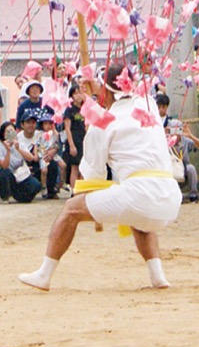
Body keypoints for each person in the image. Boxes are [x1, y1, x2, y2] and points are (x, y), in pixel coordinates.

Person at [18, 62, 182, 291]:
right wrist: (94, 98)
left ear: (104, 89)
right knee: (139, 215)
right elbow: (121, 99)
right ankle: (158, 277)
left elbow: (92, 174)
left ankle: (44, 274)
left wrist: (93, 112)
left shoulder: (103, 122)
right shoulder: (149, 105)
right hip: (170, 196)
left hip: (139, 193)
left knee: (71, 210)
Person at [0, 121, 41, 202]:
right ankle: (5, 196)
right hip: (7, 175)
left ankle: (21, 196)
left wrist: (18, 149)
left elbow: (31, 158)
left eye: (12, 131)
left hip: (20, 174)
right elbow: (4, 166)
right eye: (7, 132)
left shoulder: (20, 144)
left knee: (36, 185)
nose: (10, 134)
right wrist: (8, 151)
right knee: (4, 173)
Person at [62, 84, 88, 193]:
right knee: (75, 167)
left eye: (80, 93)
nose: (78, 96)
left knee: (83, 168)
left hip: (84, 140)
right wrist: (71, 145)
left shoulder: (85, 109)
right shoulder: (69, 110)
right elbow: (67, 128)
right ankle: (74, 191)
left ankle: (81, 190)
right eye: (75, 93)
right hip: (74, 139)